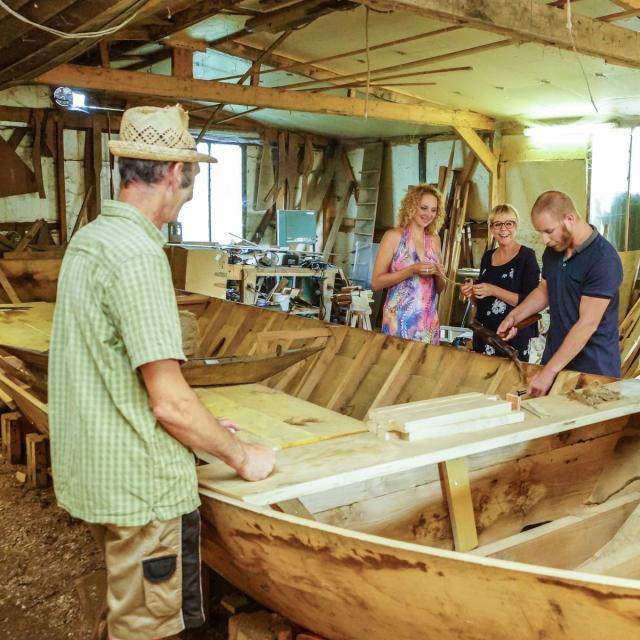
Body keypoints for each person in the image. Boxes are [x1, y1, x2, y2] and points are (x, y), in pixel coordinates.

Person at [48, 104, 275, 640]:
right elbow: (168, 402)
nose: (187, 197)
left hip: (101, 472)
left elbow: (112, 371)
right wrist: (240, 456)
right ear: (173, 173)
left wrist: (210, 431)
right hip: (143, 490)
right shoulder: (138, 256)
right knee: (150, 627)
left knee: (125, 609)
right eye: (190, 182)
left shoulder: (91, 240)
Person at [497, 190, 623, 396]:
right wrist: (515, 316)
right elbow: (545, 289)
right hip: (556, 361)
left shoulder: (603, 260)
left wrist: (548, 372)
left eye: (549, 231)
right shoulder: (554, 250)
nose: (545, 240)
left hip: (594, 373)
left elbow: (587, 324)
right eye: (540, 233)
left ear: (570, 219)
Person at [461, 204, 540, 361]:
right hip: (483, 333)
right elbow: (480, 303)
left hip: (512, 335)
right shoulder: (487, 257)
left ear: (516, 226)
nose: (503, 229)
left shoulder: (527, 257)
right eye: (497, 224)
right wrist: (471, 293)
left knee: (511, 383)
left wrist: (493, 290)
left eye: (509, 223)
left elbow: (531, 302)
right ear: (491, 229)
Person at [371, 183, 445, 343]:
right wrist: (411, 270)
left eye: (434, 210)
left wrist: (439, 274)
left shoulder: (434, 240)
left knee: (426, 368)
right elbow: (376, 282)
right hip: (399, 322)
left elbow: (439, 288)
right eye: (424, 208)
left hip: (428, 324)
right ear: (411, 206)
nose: (429, 214)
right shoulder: (393, 236)